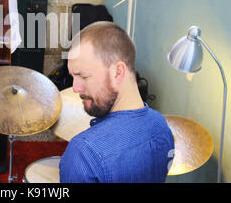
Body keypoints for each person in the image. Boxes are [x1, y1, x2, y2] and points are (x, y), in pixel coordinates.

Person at [59, 21, 174, 183]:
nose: (75, 88)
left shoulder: (84, 153)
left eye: (83, 76)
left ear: (118, 72)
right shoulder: (161, 126)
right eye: (73, 77)